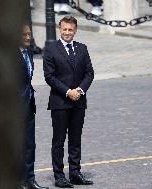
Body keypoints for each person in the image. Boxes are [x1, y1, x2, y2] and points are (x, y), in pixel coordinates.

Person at [43, 16, 94, 188]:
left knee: (75, 139)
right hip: (60, 102)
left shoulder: (82, 48)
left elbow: (89, 73)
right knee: (58, 140)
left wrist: (79, 91)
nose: (67, 32)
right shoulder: (51, 49)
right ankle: (59, 176)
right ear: (60, 29)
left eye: (70, 29)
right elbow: (49, 76)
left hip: (79, 101)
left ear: (75, 30)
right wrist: (68, 91)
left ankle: (75, 173)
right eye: (64, 29)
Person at [18, 24, 49, 189]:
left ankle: (30, 179)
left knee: (30, 144)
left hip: (29, 105)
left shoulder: (29, 52)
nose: (28, 38)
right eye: (24, 35)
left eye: (30, 34)